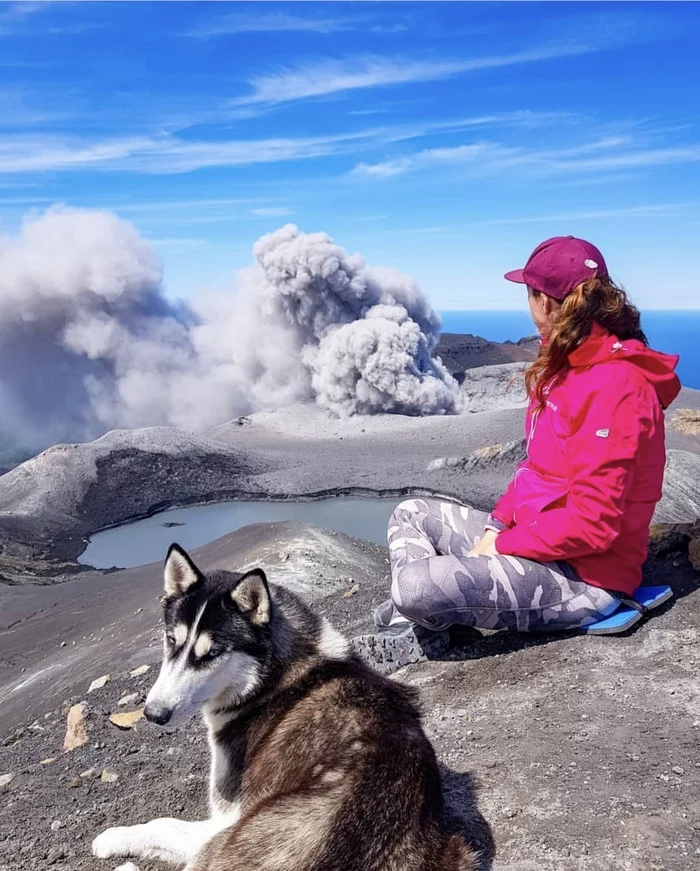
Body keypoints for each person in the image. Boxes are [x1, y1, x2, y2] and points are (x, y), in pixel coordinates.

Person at [352, 236, 681, 675]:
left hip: (586, 577)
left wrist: (503, 545)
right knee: (410, 512)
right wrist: (496, 525)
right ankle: (420, 622)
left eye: (528, 293)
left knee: (414, 586)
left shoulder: (617, 388)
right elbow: (536, 469)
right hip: (534, 545)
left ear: (544, 301)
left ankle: (415, 622)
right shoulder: (565, 366)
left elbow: (594, 523)